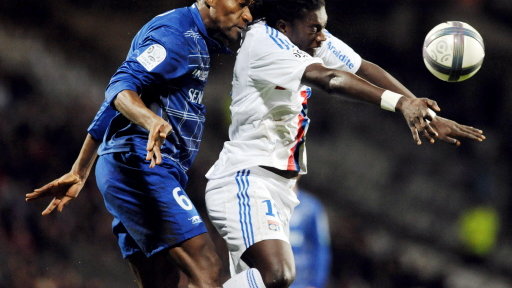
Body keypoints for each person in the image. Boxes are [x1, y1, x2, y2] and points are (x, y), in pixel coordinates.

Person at [204, 0, 486, 287]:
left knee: (260, 281)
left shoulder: (305, 38)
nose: (322, 36)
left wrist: (419, 108)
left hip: (277, 189)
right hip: (246, 178)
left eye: (323, 27)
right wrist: (400, 104)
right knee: (277, 274)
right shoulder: (264, 42)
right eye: (315, 28)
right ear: (284, 26)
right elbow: (331, 79)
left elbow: (361, 68)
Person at [25, 1, 260, 287]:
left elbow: (115, 101)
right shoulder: (175, 34)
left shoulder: (197, 37)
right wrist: (151, 121)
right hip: (139, 164)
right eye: (242, 3)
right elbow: (119, 88)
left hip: (133, 166)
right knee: (206, 268)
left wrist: (81, 169)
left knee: (165, 282)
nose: (248, 15)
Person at [289, 185, 331, 288]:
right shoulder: (268, 200)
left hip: (302, 282)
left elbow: (321, 247)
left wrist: (316, 283)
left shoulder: (312, 206)